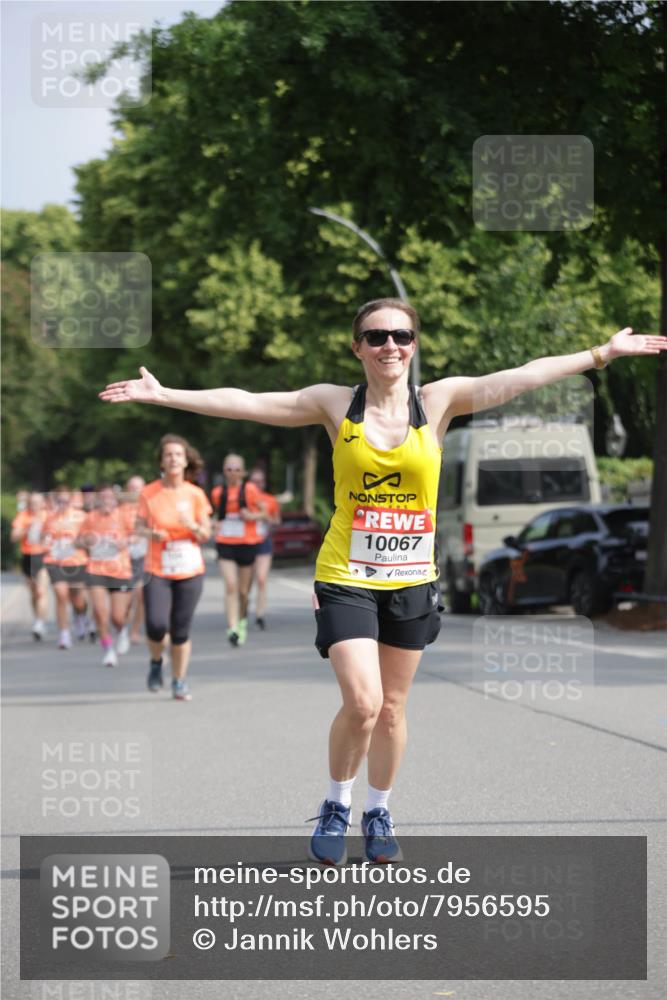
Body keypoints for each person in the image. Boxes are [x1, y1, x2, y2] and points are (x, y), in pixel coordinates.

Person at [100, 300, 666, 863]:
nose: (389, 345)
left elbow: (522, 376)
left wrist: (600, 354)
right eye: (376, 337)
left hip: (412, 579)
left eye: (401, 335)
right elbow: (249, 402)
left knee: (392, 708)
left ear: (414, 344)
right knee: (364, 703)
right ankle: (336, 803)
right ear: (358, 347)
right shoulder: (334, 404)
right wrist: (166, 395)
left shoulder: (438, 402)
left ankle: (379, 811)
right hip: (346, 574)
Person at [134, 434, 212, 701]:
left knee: (180, 630)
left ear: (186, 460)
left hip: (189, 568)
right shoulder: (149, 493)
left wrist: (193, 526)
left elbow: (206, 533)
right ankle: (156, 661)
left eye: (178, 454)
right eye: (168, 454)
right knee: (156, 625)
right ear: (161, 462)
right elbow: (138, 527)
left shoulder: (195, 494)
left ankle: (179, 680)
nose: (173, 459)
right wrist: (151, 533)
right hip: (157, 568)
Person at [211, 454, 265, 647]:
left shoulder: (250, 490)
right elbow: (215, 515)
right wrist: (214, 524)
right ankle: (232, 627)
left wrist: (251, 515)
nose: (233, 472)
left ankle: (242, 620)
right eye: (229, 469)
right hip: (225, 542)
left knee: (243, 592)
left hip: (247, 543)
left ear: (243, 472)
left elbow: (264, 512)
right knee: (231, 585)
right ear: (224, 471)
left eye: (236, 469)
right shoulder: (218, 492)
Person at [78, 485, 134, 667]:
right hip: (96, 569)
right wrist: (87, 540)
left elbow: (137, 535)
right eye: (103, 498)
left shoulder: (124, 515)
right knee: (100, 613)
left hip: (120, 570)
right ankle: (108, 649)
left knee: (117, 617)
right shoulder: (90, 518)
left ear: (115, 500)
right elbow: (78, 541)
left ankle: (122, 630)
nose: (106, 501)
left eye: (110, 498)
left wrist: (126, 541)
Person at [43, 485, 89, 649]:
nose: (62, 504)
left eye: (65, 501)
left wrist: (79, 542)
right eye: (59, 501)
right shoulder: (49, 518)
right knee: (61, 595)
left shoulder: (81, 517)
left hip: (77, 561)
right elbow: (44, 538)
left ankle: (81, 616)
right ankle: (64, 634)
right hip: (55, 561)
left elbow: (90, 539)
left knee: (78, 599)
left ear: (70, 501)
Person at [11, 491, 50, 640]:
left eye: (37, 503)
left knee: (41, 591)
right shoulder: (23, 516)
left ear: (43, 503)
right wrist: (27, 528)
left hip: (43, 556)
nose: (35, 506)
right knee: (34, 593)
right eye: (32, 503)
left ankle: (39, 624)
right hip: (27, 556)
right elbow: (13, 537)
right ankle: (37, 619)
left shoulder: (48, 516)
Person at [248, 467, 281, 630]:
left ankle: (260, 615)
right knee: (246, 582)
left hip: (263, 542)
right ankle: (242, 611)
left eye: (260, 481)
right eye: (255, 481)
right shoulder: (244, 498)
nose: (258, 484)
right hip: (246, 542)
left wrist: (266, 516)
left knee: (261, 579)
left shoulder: (270, 500)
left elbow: (277, 521)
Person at [122, 475, 148, 643]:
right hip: (124, 558)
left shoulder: (149, 508)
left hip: (143, 556)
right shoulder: (120, 510)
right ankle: (123, 627)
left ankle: (135, 630)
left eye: (138, 488)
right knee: (127, 598)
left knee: (140, 595)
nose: (135, 491)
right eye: (132, 487)